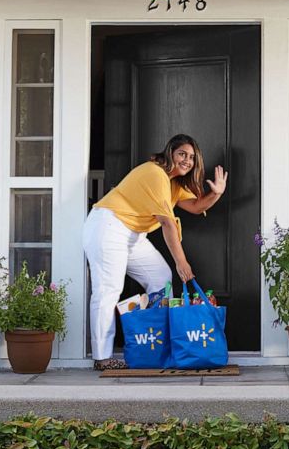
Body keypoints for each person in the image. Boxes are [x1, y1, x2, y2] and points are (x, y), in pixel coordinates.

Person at [82, 134, 227, 370]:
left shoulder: (174, 184)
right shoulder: (155, 173)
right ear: (170, 152)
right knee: (108, 290)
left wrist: (217, 193)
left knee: (160, 279)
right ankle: (102, 358)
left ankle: (151, 341)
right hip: (109, 226)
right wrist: (182, 263)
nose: (187, 160)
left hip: (134, 234)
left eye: (191, 157)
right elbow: (167, 223)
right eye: (182, 154)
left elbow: (197, 205)